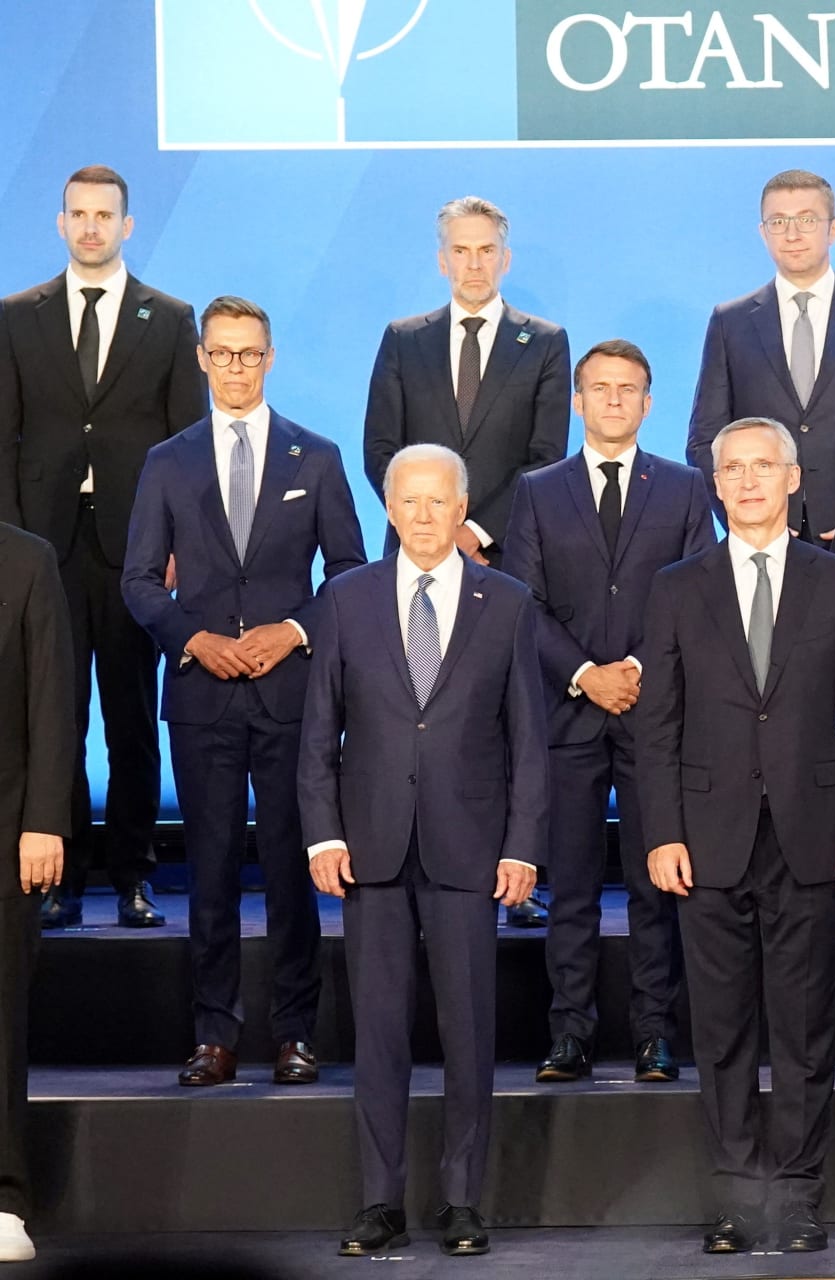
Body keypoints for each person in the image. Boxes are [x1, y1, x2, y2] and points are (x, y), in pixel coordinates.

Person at [638, 418, 835, 1255]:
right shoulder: (676, 586)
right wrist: (662, 832)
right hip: (705, 841)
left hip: (813, 836)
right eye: (731, 469)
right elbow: (658, 727)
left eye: (762, 467)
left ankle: (797, 1201)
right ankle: (739, 1203)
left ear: (793, 477)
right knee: (723, 1033)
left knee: (805, 1030)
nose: (747, 481)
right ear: (714, 485)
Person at [298, 444, 546, 1258]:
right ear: (391, 510)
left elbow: (529, 743)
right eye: (411, 502)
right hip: (368, 846)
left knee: (469, 1032)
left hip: (470, 848)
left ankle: (465, 1201)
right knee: (378, 1033)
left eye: (440, 502)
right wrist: (324, 831)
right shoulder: (344, 598)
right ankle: (379, 1202)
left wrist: (522, 847)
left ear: (462, 507)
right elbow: (318, 733)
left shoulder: (506, 602)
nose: (425, 516)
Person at [121, 296, 366, 1088]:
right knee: (213, 868)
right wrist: (194, 640)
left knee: (296, 870)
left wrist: (292, 632)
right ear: (201, 358)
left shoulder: (316, 456)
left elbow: (352, 575)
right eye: (221, 354)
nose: (235, 367)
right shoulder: (167, 460)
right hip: (201, 698)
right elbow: (136, 580)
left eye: (248, 354)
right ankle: (214, 1035)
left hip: (293, 695)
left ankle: (296, 1034)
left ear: (270, 358)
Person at [501, 339, 715, 1086]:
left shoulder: (687, 489)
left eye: (628, 388)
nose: (614, 400)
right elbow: (520, 601)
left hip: (659, 721)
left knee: (660, 886)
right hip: (567, 720)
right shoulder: (538, 489)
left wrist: (640, 673)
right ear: (578, 400)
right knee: (574, 890)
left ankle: (656, 1034)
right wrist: (588, 674)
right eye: (600, 388)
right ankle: (572, 1034)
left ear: (648, 402)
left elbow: (699, 594)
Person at [0, 163, 206, 929]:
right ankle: (60, 875)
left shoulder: (169, 316)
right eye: (78, 214)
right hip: (38, 553)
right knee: (53, 715)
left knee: (128, 716)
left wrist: (178, 539)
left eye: (104, 215)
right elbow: (3, 438)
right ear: (60, 224)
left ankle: (134, 874)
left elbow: (188, 445)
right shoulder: (17, 317)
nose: (90, 226)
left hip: (134, 548)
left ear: (127, 225)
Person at [363, 195, 566, 927]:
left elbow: (545, 457)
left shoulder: (543, 341)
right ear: (441, 258)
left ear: (504, 258)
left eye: (487, 251)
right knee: (411, 711)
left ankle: (519, 869)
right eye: (461, 250)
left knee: (504, 716)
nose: (474, 263)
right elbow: (380, 449)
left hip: (503, 560)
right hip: (413, 559)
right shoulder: (403, 339)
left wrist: (471, 526)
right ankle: (403, 864)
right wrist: (431, 525)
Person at [687, 169, 835, 546]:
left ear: (834, 228)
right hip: (762, 534)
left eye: (807, 220)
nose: (792, 234)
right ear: (763, 232)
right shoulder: (731, 322)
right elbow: (705, 439)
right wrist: (741, 517)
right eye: (779, 221)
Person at [0, 521, 75, 1263]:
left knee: (0, 1023)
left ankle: (3, 1194)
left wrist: (45, 822)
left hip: (5, 833)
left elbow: (54, 696)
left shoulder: (26, 558)